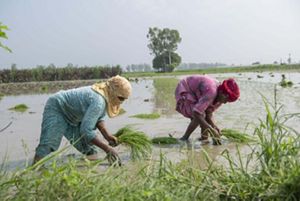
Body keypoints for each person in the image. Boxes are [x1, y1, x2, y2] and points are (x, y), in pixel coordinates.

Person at [33, 75, 132, 165]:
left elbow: (98, 117)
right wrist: (107, 149)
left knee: (90, 150)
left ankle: (86, 168)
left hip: (74, 116)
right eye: (121, 98)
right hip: (58, 107)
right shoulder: (98, 101)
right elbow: (86, 131)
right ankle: (35, 168)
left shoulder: (105, 95)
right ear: (113, 92)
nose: (122, 101)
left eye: (124, 99)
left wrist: (107, 135)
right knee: (49, 144)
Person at [175, 75, 240, 145]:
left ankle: (204, 139)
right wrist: (211, 130)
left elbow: (209, 113)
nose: (225, 102)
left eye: (228, 101)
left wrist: (215, 127)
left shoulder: (219, 98)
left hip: (197, 93)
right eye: (226, 99)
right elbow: (196, 113)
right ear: (222, 92)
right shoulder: (211, 92)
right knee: (201, 115)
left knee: (203, 114)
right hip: (186, 88)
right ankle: (184, 138)